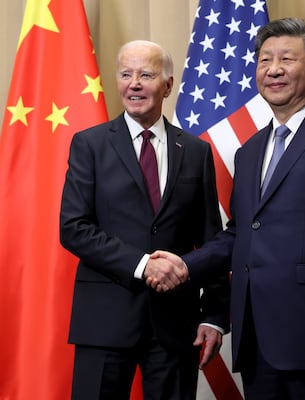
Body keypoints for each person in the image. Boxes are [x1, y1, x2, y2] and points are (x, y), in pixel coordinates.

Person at [149, 18, 305, 399]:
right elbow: (241, 233)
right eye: (264, 60)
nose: (273, 69)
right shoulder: (249, 152)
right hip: (258, 340)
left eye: (286, 59)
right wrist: (184, 265)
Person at [59, 40, 229, 400]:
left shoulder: (196, 152)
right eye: (125, 74)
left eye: (146, 74)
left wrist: (214, 314)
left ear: (168, 85)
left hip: (174, 325)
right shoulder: (89, 144)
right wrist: (142, 266)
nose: (133, 83)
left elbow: (212, 239)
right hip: (104, 321)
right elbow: (74, 228)